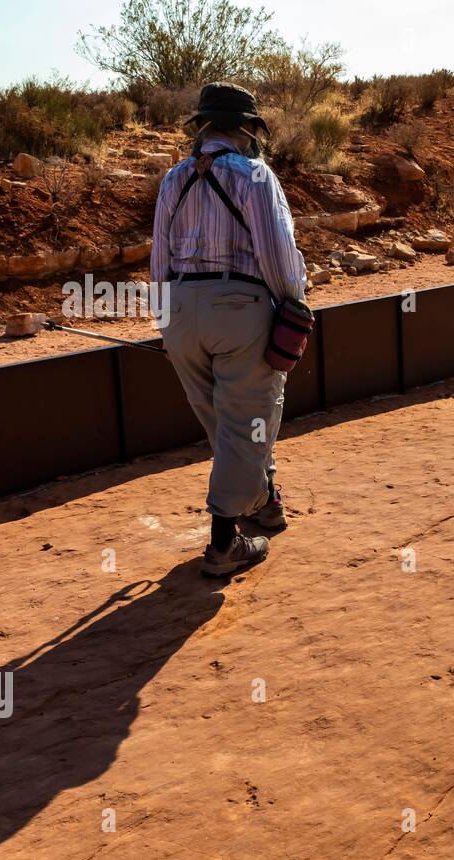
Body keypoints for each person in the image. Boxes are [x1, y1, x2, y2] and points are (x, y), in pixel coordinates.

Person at [150, 82, 307, 577]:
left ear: (203, 127)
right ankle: (223, 545)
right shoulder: (256, 176)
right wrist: (294, 304)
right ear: (245, 129)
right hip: (241, 308)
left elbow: (159, 257)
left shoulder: (173, 178)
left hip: (179, 308)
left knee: (223, 422)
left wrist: (165, 321)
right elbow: (278, 253)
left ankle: (265, 503)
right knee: (248, 421)